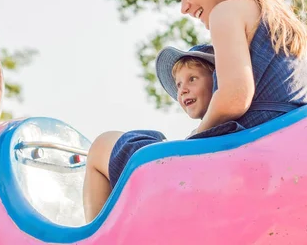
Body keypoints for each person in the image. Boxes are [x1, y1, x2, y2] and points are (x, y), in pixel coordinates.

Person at [83, 0, 307, 222]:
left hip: (238, 160)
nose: (184, 7)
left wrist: (192, 141)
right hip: (285, 165)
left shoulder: (227, 12)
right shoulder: (297, 34)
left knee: (102, 146)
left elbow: (235, 95)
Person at [82, 44, 215, 222]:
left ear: (217, 80)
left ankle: (97, 235)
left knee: (102, 145)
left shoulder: (227, 118)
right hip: (187, 187)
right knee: (154, 137)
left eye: (192, 79)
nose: (182, 90)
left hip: (183, 187)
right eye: (178, 84)